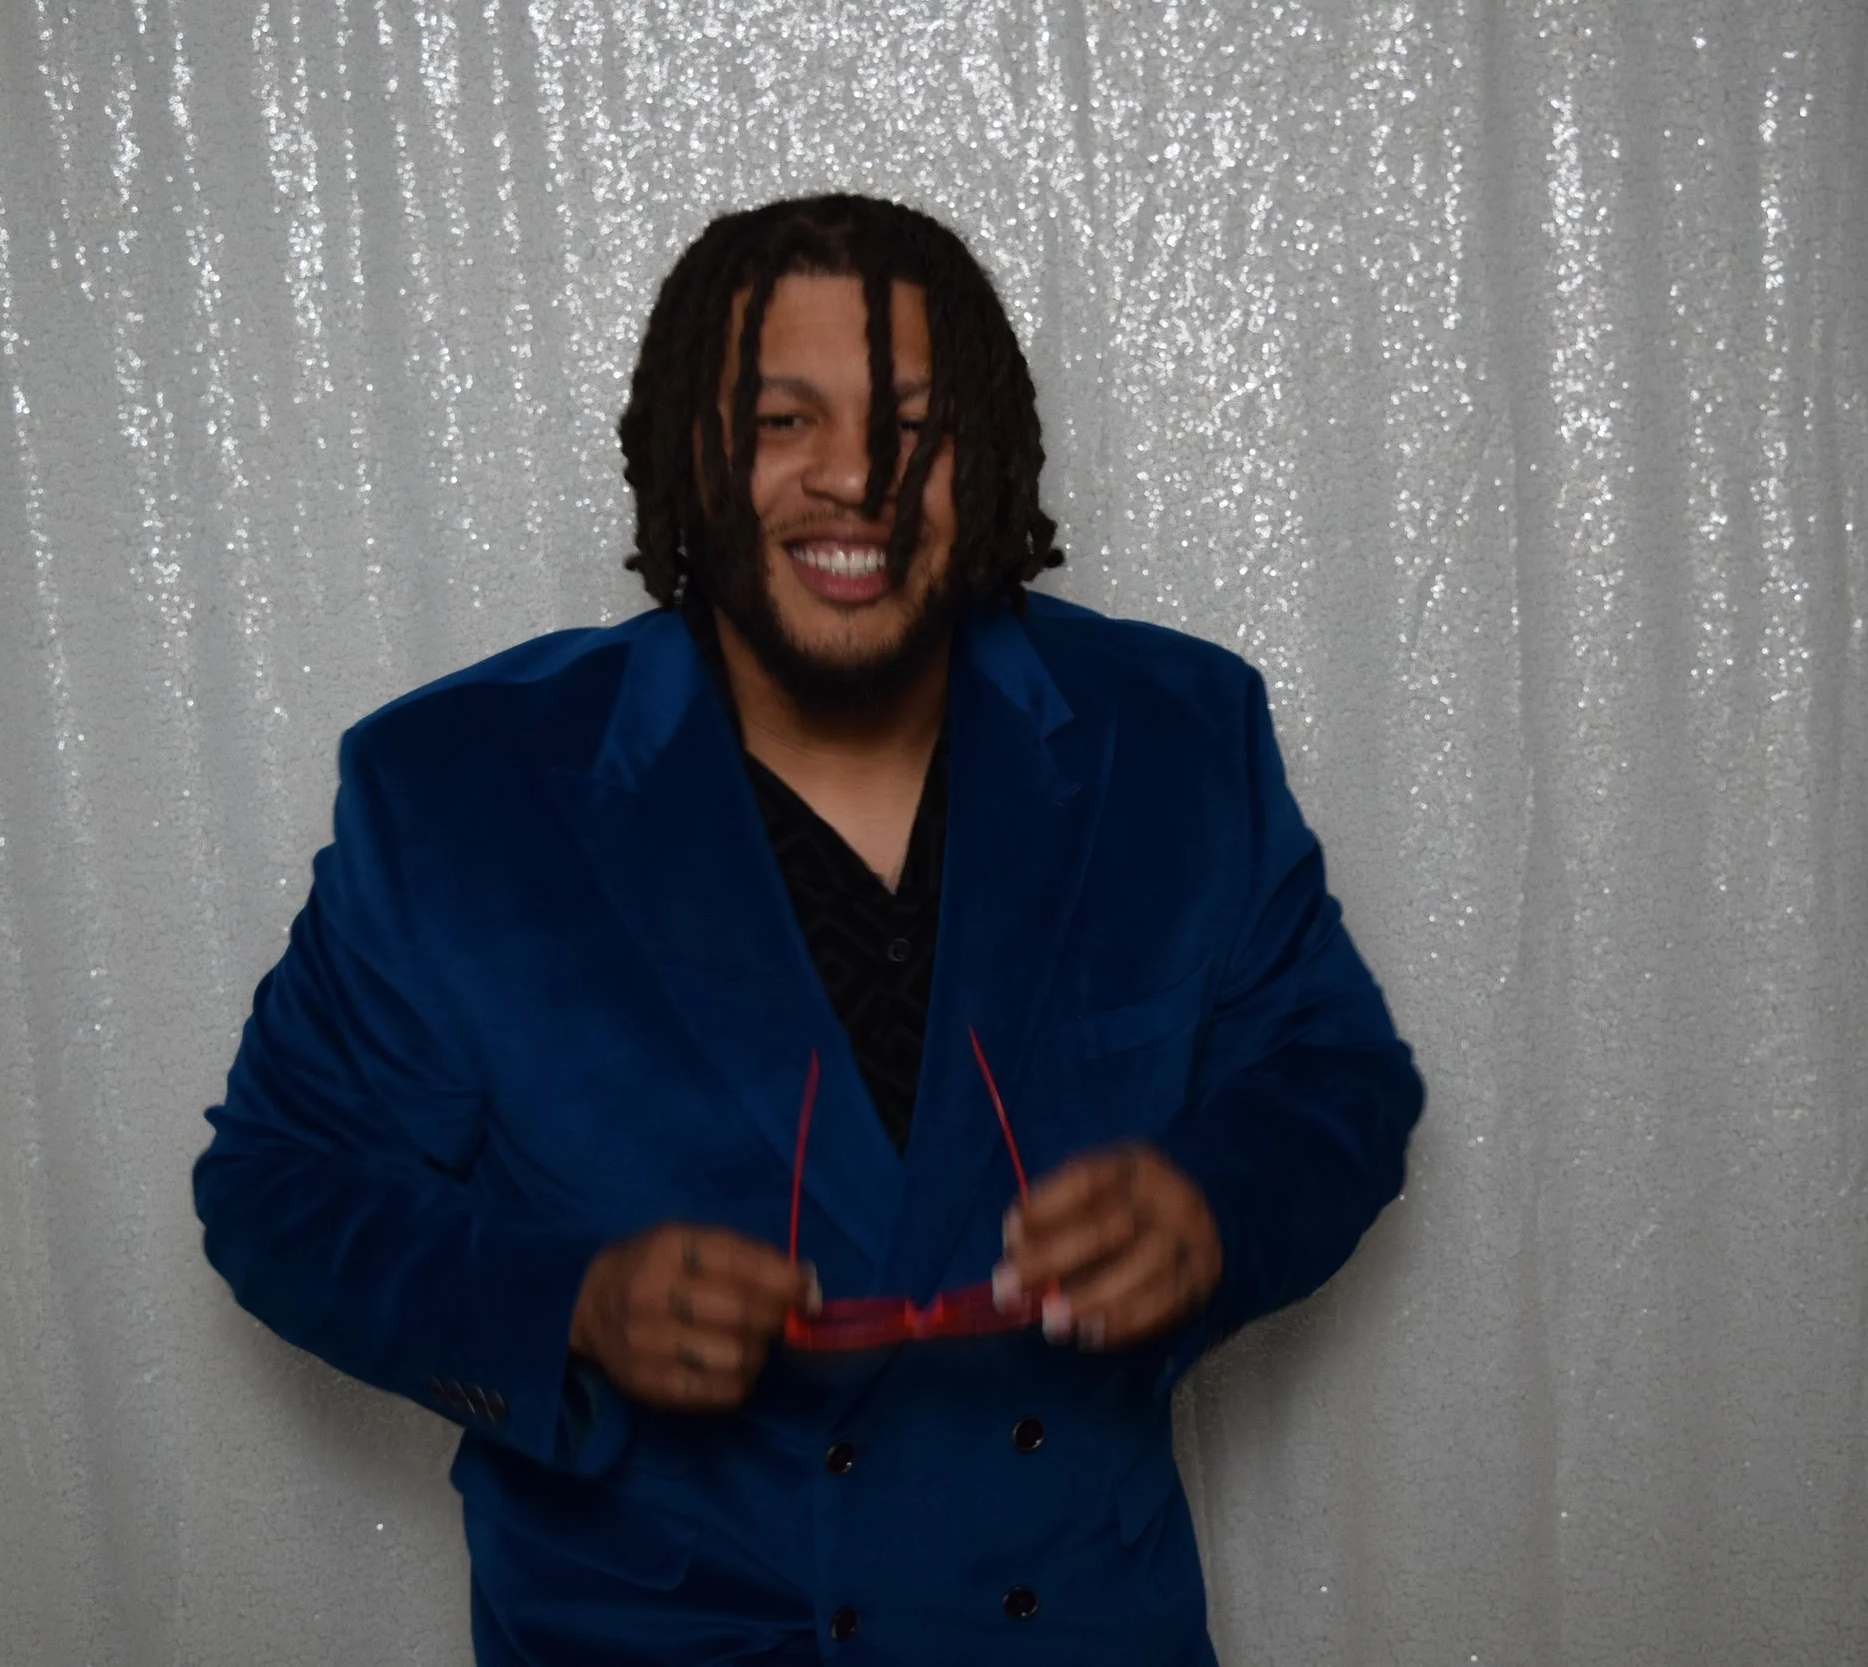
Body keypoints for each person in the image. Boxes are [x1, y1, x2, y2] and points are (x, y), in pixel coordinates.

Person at [192, 192, 1422, 1664]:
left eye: (915, 424)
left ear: (988, 454)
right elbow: (279, 1185)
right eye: (784, 421)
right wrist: (567, 1303)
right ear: (689, 452)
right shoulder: (460, 792)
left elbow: (1336, 1078)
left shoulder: (1175, 735)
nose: (855, 476)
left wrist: (1214, 1202)